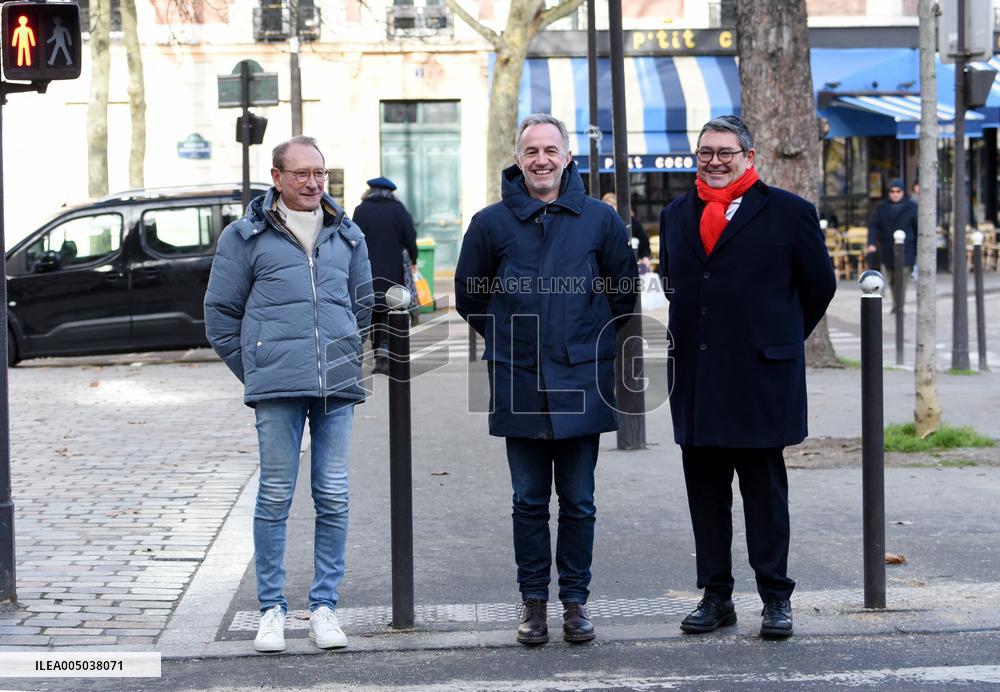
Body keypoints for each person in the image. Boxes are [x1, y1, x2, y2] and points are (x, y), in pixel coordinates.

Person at [455, 113, 638, 646]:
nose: (541, 160)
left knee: (579, 500)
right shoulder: (491, 223)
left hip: (582, 378)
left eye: (550, 150)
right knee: (529, 501)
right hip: (519, 378)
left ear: (567, 156)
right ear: (518, 158)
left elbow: (623, 292)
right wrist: (513, 335)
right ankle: (533, 603)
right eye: (531, 150)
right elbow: (471, 295)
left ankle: (575, 603)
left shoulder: (599, 221)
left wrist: (586, 338)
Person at [658, 115, 836, 640]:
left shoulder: (789, 213)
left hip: (760, 379)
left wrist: (777, 337)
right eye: (705, 152)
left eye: (725, 152)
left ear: (748, 157)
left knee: (764, 496)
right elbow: (676, 284)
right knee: (706, 497)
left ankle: (776, 598)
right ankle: (716, 598)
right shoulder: (674, 214)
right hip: (697, 377)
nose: (714, 161)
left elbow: (819, 287)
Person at [204, 135, 374, 653]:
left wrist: (341, 355)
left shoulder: (348, 235)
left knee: (334, 495)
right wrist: (257, 369)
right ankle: (271, 611)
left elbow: (361, 307)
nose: (312, 183)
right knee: (276, 496)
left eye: (319, 173)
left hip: (336, 387)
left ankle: (324, 608)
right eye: (300, 174)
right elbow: (219, 318)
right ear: (276, 178)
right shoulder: (245, 236)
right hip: (277, 388)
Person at [352, 176, 419, 373]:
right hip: (393, 271)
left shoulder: (361, 210)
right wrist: (413, 259)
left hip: (368, 271)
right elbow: (410, 236)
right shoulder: (397, 210)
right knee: (391, 311)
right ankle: (385, 353)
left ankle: (378, 356)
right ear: (390, 192)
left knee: (374, 312)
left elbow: (353, 240)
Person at [867, 178, 917, 311]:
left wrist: (917, 252)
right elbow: (873, 225)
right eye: (892, 191)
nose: (895, 194)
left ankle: (898, 306)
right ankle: (897, 304)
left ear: (902, 192)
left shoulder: (912, 207)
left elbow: (917, 229)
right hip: (887, 250)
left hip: (906, 250)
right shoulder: (881, 207)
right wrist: (871, 243)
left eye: (898, 191)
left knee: (902, 280)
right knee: (891, 280)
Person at [602, 191, 652, 271]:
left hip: (631, 263)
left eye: (611, 206)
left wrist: (645, 259)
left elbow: (644, 244)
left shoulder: (632, 221)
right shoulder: (603, 224)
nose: (609, 210)